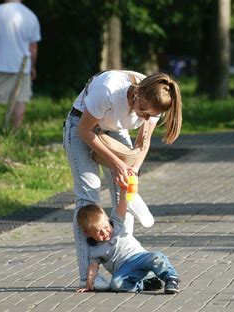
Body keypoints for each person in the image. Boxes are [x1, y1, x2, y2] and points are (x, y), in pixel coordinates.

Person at [63, 70, 182, 290]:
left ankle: (127, 263)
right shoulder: (108, 90)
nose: (146, 118)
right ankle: (86, 278)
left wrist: (132, 170)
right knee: (88, 195)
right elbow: (85, 131)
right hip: (82, 126)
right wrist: (117, 164)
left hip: (113, 128)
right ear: (137, 94)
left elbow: (142, 144)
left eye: (151, 116)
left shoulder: (156, 98)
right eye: (144, 113)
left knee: (124, 191)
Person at [76, 184, 180, 294]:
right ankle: (144, 283)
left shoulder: (117, 224)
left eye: (106, 227)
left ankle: (171, 278)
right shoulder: (95, 250)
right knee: (116, 285)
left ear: (107, 219)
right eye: (99, 232)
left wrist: (124, 191)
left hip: (140, 257)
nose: (105, 233)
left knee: (156, 257)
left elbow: (121, 204)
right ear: (88, 233)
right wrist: (88, 282)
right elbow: (93, 267)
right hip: (124, 270)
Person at [0, 0, 41, 129]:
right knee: (20, 100)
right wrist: (33, 67)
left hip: (0, 64)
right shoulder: (31, 15)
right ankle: (15, 133)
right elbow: (33, 47)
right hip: (23, 65)